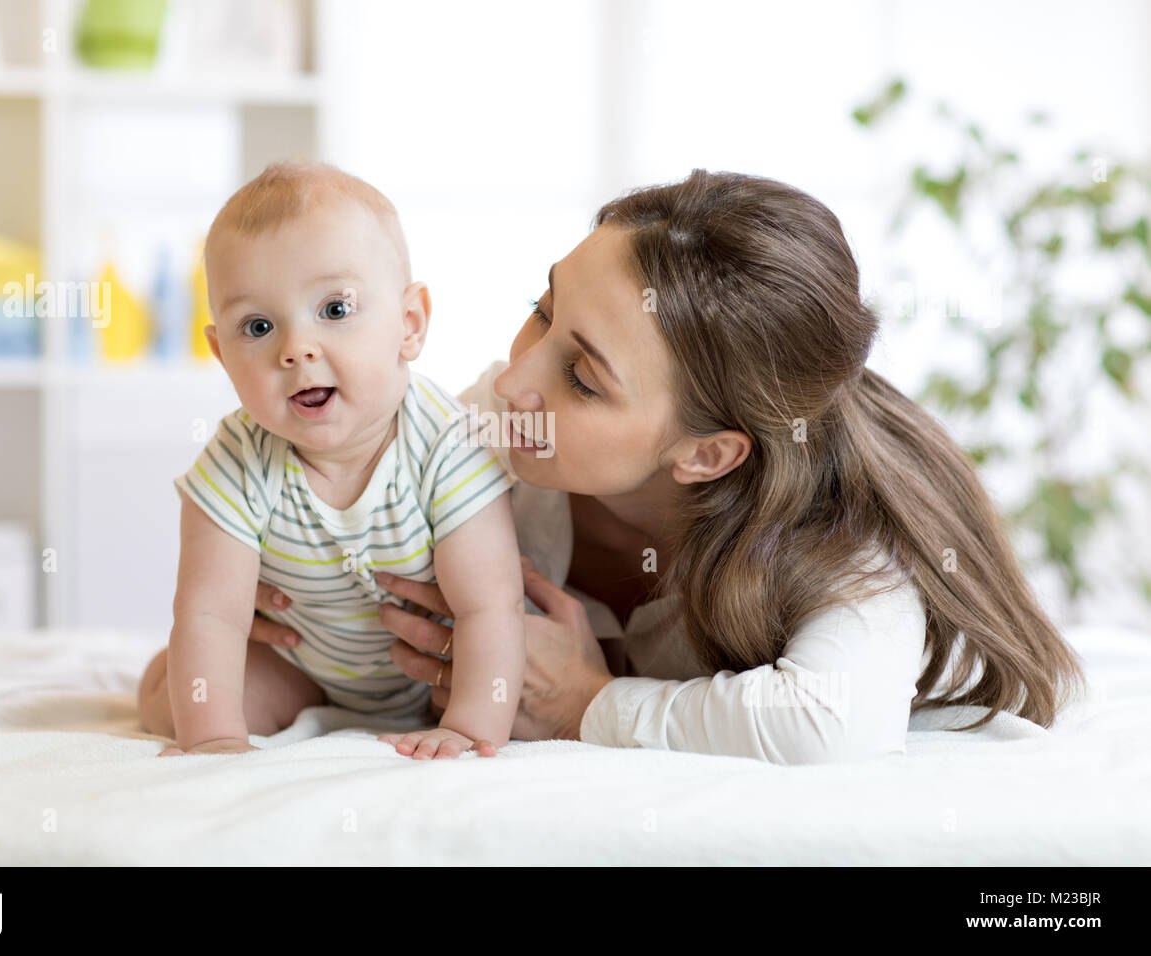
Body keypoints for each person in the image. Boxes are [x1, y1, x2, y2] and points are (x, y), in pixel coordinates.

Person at [242, 169, 1087, 763]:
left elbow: (832, 726)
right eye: (541, 311)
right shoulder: (479, 437)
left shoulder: (839, 536)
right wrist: (288, 583)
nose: (514, 379)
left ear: (707, 452)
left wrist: (586, 703)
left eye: (581, 377)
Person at [136, 162, 525, 760]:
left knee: (508, 689)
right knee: (170, 694)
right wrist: (213, 740)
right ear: (221, 353)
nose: (296, 349)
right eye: (258, 326)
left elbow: (489, 604)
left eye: (335, 310)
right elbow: (209, 611)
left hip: (437, 678)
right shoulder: (237, 459)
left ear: (410, 324)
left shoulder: (450, 443)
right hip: (305, 671)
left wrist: (467, 727)